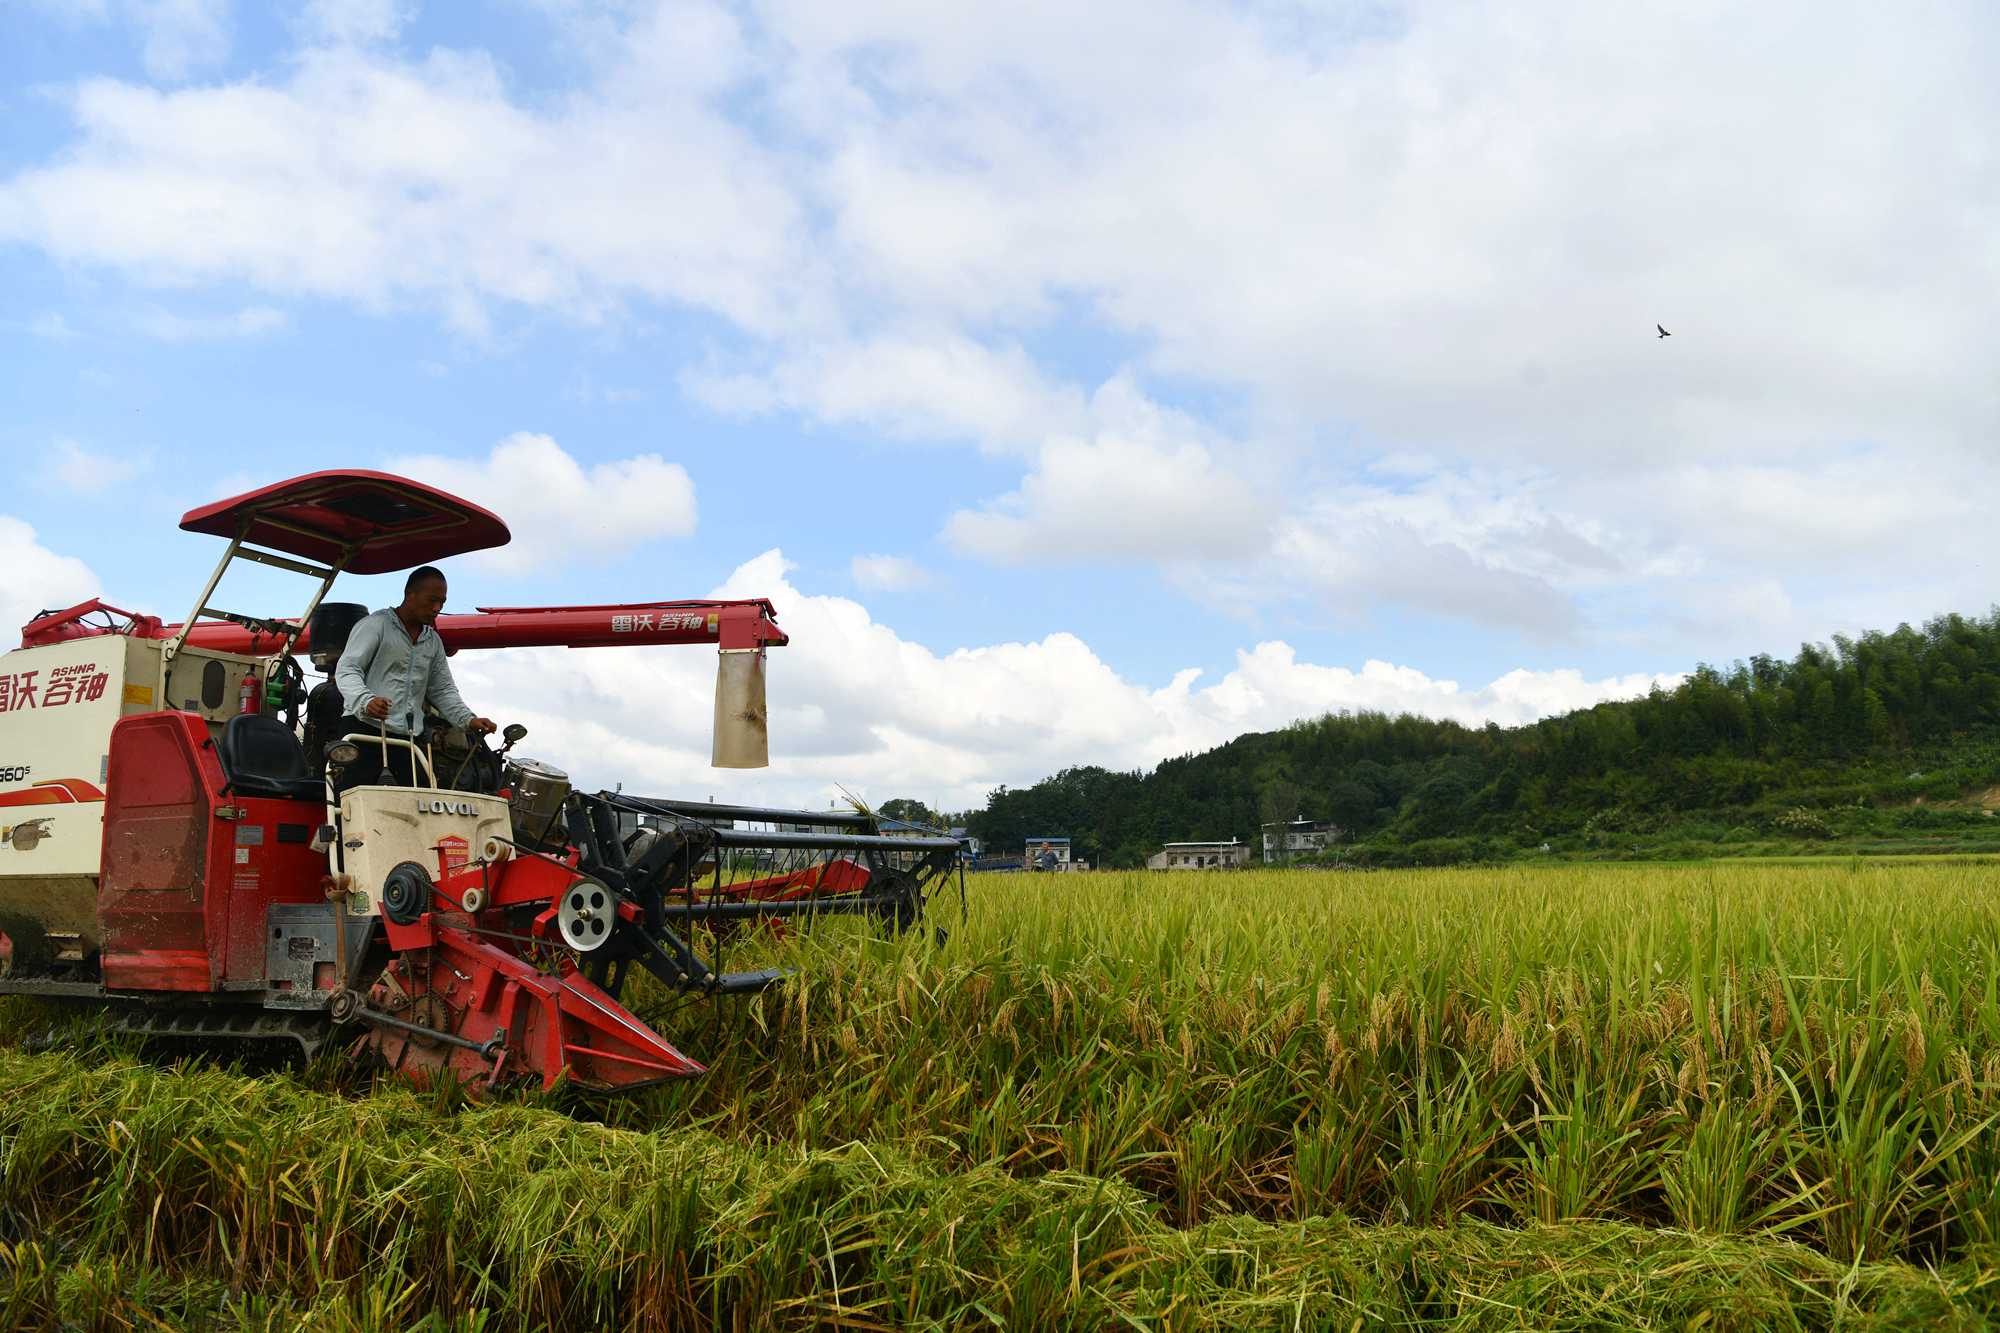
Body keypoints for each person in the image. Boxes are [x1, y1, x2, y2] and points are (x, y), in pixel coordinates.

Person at [331, 565, 494, 794]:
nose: (436, 609)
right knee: (352, 806)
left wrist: (469, 720)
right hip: (362, 732)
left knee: (419, 806)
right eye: (431, 600)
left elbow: (443, 690)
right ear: (409, 594)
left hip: (407, 740)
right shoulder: (376, 625)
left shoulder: (433, 642)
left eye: (442, 603)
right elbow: (347, 669)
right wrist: (366, 701)